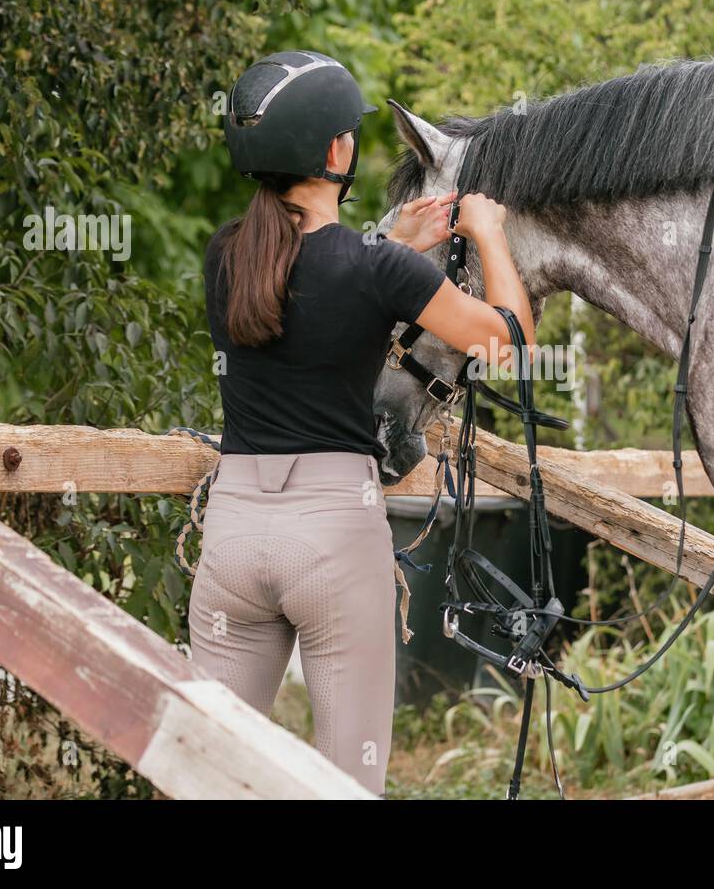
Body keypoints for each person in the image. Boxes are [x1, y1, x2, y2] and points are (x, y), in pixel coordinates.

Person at [187, 51, 534, 796]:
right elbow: (507, 340)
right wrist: (488, 232)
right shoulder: (379, 271)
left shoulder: (225, 259)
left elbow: (317, 284)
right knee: (348, 784)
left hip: (235, 536)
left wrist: (395, 245)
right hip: (334, 540)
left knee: (209, 780)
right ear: (337, 151)